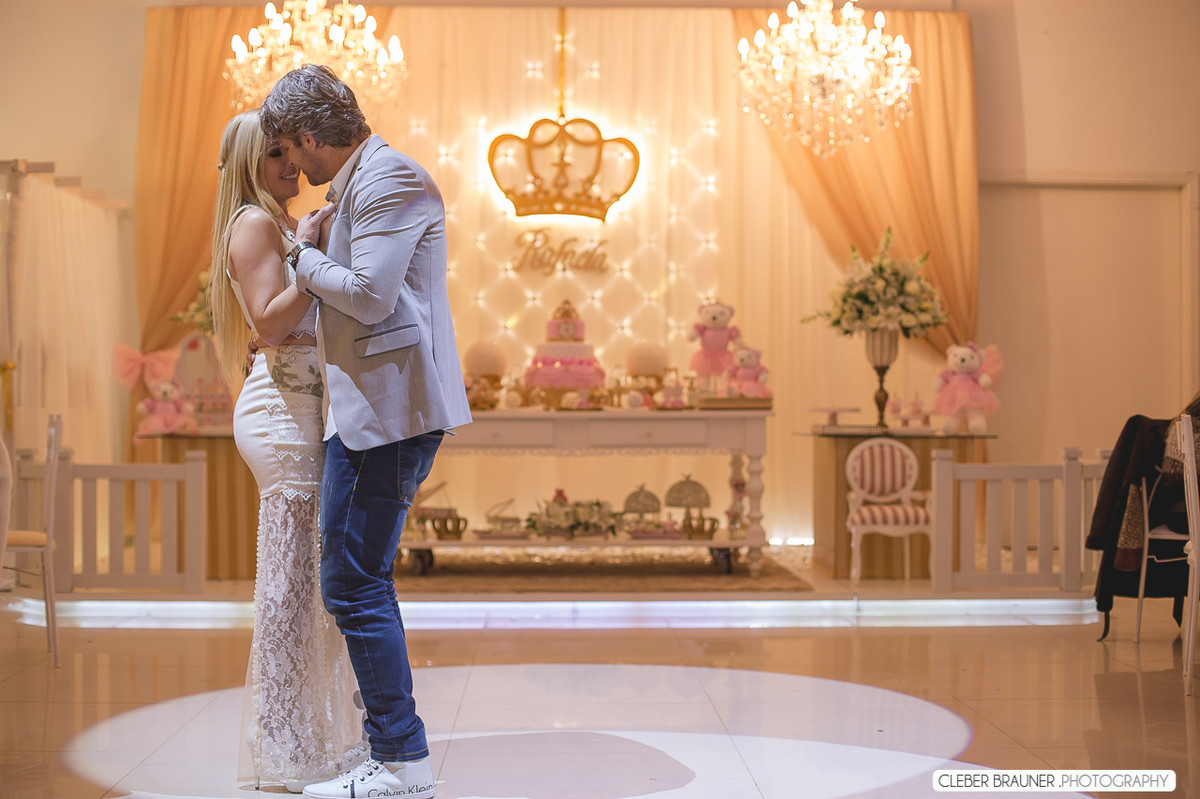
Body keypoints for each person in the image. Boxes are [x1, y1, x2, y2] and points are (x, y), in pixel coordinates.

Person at [260, 65, 472, 799]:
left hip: (389, 411)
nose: (293, 167)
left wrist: (299, 252)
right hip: (369, 408)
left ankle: (403, 760)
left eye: (292, 151)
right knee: (354, 580)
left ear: (312, 137)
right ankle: (391, 749)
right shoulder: (363, 181)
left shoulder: (389, 179)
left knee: (353, 581)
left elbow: (372, 297)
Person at [208, 110, 365, 792]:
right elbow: (270, 325)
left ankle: (300, 733)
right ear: (250, 161)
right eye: (276, 155)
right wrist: (308, 253)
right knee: (287, 586)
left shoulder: (264, 219)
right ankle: (281, 740)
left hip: (300, 408)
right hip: (281, 413)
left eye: (290, 153)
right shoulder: (255, 222)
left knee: (303, 583)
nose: (291, 166)